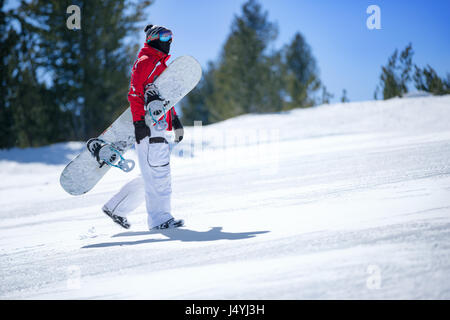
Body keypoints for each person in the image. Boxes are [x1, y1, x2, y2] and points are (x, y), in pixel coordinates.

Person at [101, 25, 184, 230]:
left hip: (158, 125)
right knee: (159, 174)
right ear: (153, 38)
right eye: (165, 35)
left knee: (151, 173)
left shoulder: (158, 63)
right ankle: (160, 220)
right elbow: (135, 94)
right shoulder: (146, 62)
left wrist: (174, 120)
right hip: (149, 127)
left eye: (171, 36)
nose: (169, 40)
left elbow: (164, 98)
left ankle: (117, 207)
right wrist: (139, 123)